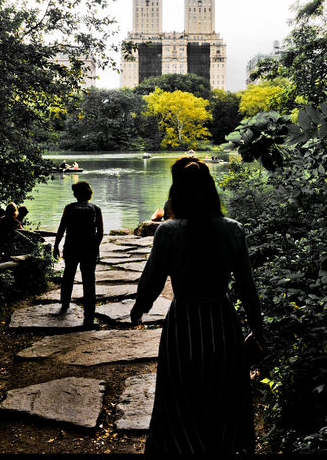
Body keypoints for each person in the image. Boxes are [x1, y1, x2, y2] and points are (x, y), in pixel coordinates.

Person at [130, 157, 265, 454]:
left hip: (184, 323)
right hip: (222, 321)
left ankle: (183, 446)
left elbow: (151, 280)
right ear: (212, 191)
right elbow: (246, 286)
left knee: (180, 391)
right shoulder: (233, 230)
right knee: (223, 391)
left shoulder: (168, 231)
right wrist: (257, 328)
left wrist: (140, 307)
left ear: (177, 192)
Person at [53, 181, 104, 329]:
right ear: (89, 193)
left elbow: (62, 228)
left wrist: (56, 245)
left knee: (68, 275)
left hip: (71, 247)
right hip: (88, 249)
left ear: (75, 194)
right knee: (89, 281)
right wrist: (94, 246)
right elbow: (100, 233)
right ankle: (89, 314)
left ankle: (65, 304)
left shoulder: (69, 208)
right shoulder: (96, 209)